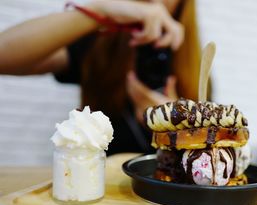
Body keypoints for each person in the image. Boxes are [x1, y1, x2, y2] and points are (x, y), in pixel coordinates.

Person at [0, 0, 201, 155]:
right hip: (99, 190)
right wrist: (99, 12)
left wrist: (176, 125)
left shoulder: (195, 67)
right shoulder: (98, 46)